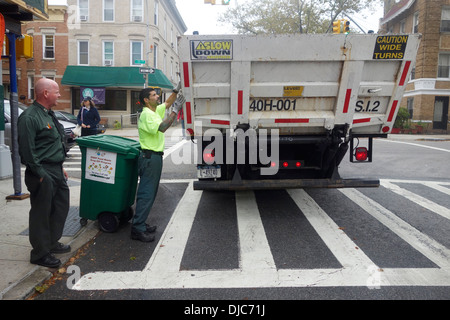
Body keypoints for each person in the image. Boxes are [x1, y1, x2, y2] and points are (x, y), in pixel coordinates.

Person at [17, 78, 71, 268]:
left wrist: (60, 166)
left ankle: (51, 242)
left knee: (60, 207)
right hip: (41, 172)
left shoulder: (48, 114)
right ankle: (39, 253)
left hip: (55, 169)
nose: (59, 95)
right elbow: (27, 150)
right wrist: (40, 173)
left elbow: (51, 144)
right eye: (56, 91)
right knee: (41, 212)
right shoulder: (30, 117)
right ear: (46, 93)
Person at [131, 86, 185, 242]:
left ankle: (140, 223)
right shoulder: (147, 115)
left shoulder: (154, 111)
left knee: (150, 193)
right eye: (154, 95)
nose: (157, 96)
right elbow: (162, 127)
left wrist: (176, 90)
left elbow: (167, 103)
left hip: (152, 157)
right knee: (146, 194)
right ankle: (137, 228)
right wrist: (175, 111)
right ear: (146, 100)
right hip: (149, 158)